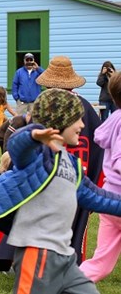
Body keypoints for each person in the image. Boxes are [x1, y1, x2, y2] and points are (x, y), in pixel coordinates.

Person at [0, 88, 121, 294]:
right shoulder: (37, 156)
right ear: (60, 122)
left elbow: (96, 197)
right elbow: (18, 148)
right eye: (77, 119)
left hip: (65, 258)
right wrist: (33, 135)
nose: (83, 125)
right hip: (37, 255)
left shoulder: (71, 163)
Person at [36, 55, 105, 263]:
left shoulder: (45, 108)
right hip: (78, 182)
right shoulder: (85, 109)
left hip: (60, 182)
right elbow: (100, 149)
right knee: (72, 230)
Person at [80, 72, 121, 282]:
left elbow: (102, 140)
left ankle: (68, 284)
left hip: (108, 199)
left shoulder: (114, 118)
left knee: (101, 262)